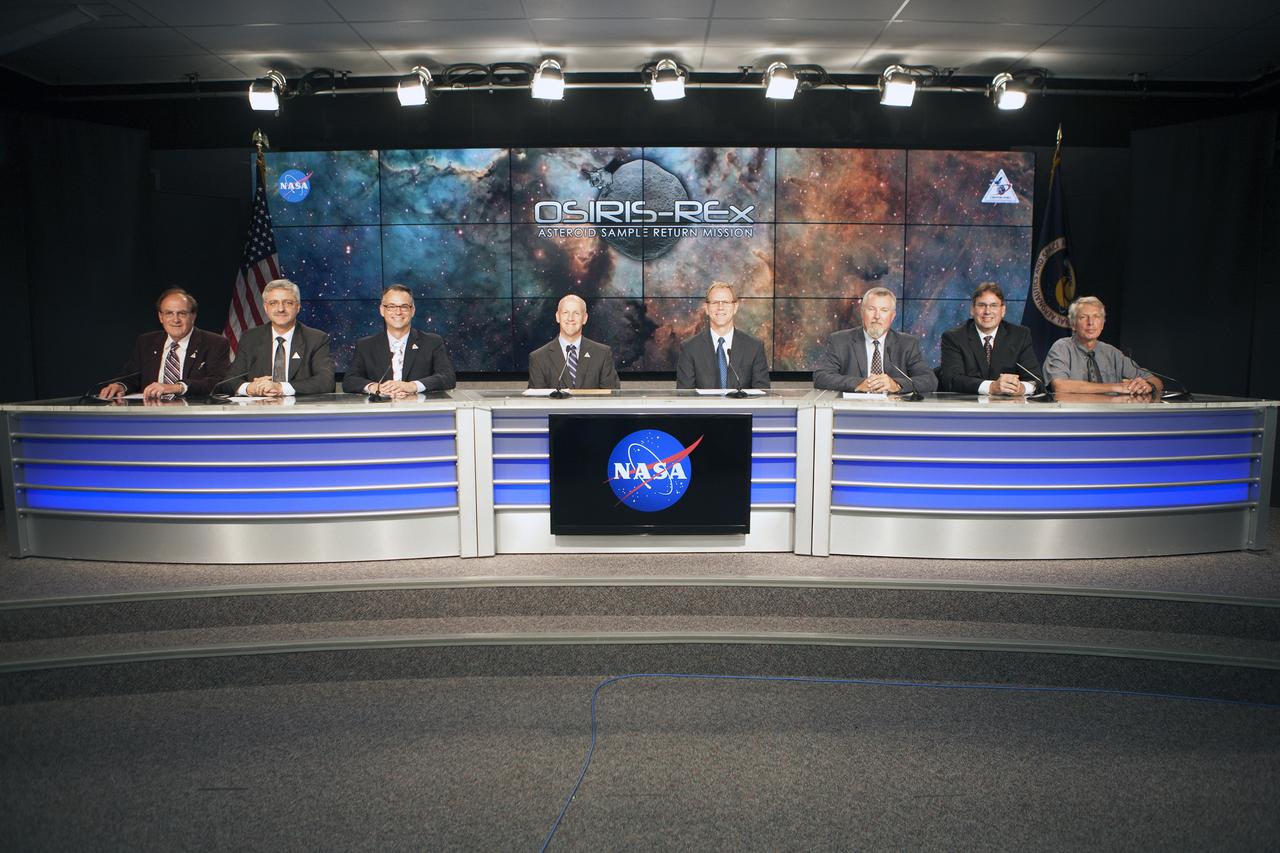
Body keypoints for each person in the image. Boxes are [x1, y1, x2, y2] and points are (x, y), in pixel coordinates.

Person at [98, 288, 230, 400]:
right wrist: (120, 385)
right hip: (151, 413)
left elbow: (219, 382)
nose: (175, 320)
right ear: (161, 317)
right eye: (169, 313)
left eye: (182, 314)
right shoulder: (146, 342)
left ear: (193, 316)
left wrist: (178, 387)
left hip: (192, 413)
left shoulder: (214, 343)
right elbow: (132, 376)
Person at [812, 286, 938, 394]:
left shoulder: (907, 344)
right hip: (852, 411)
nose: (877, 316)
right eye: (871, 309)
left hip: (894, 414)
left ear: (892, 316)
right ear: (862, 313)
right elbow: (821, 377)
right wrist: (859, 384)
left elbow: (930, 380)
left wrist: (896, 385)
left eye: (884, 310)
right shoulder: (840, 341)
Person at [342, 284, 455, 398]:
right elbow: (349, 381)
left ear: (413, 311)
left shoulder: (432, 342)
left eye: (404, 306)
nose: (398, 312)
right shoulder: (365, 345)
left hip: (420, 411)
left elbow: (448, 377)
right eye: (391, 306)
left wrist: (412, 386)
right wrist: (376, 387)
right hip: (379, 411)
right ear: (382, 310)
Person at [231, 279, 335, 397]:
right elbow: (230, 380)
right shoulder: (250, 338)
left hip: (299, 411)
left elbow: (326, 382)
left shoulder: (316, 339)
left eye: (288, 303)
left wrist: (280, 387)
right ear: (266, 308)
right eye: (273, 303)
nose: (280, 309)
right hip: (259, 411)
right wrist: (249, 388)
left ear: (298, 307)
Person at [1044, 296, 1162, 396]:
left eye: (1096, 317)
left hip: (1109, 417)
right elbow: (1060, 386)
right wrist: (1116, 387)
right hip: (1073, 417)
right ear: (1073, 324)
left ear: (1102, 325)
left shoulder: (1112, 352)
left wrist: (1148, 386)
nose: (1090, 323)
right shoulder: (1062, 348)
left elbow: (1156, 381)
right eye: (1083, 317)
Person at [939, 282, 1040, 395]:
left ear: (1003, 310)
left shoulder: (1020, 336)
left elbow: (1036, 380)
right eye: (982, 305)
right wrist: (991, 387)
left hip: (1009, 408)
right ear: (972, 310)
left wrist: (1022, 388)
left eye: (993, 305)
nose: (987, 311)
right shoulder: (954, 338)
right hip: (968, 407)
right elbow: (951, 380)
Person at [675, 281, 771, 390]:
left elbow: (763, 397)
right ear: (706, 308)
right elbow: (685, 398)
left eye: (725, 302)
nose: (720, 307)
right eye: (715, 302)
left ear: (735, 307)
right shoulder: (689, 348)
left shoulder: (754, 347)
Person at [527, 294, 620, 389]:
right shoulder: (538, 358)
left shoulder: (602, 354)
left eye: (576, 313)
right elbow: (537, 401)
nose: (570, 318)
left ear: (585, 318)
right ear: (557, 317)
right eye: (565, 312)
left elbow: (612, 396)